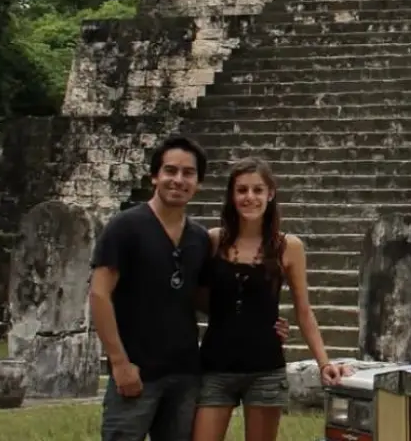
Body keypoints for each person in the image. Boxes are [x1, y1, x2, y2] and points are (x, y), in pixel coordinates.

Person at [88, 135, 288, 441]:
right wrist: (119, 363)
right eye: (170, 171)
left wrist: (261, 320)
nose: (178, 180)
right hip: (136, 371)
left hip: (185, 374)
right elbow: (99, 294)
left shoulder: (198, 238)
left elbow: (209, 299)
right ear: (155, 176)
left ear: (199, 182)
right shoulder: (125, 227)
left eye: (188, 173)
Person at [192, 156, 348, 441]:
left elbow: (304, 310)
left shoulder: (288, 247)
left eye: (257, 190)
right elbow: (201, 299)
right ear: (231, 194)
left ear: (270, 194)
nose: (249, 197)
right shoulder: (214, 240)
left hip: (265, 368)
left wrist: (325, 363)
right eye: (241, 190)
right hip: (215, 367)